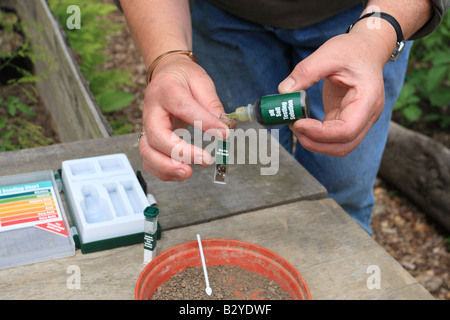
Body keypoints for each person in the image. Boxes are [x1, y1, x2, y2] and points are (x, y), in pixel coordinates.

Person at [115, 0, 449, 234]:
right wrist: (169, 58)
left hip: (362, 16)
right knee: (249, 181)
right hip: (222, 13)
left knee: (341, 195)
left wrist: (377, 34)